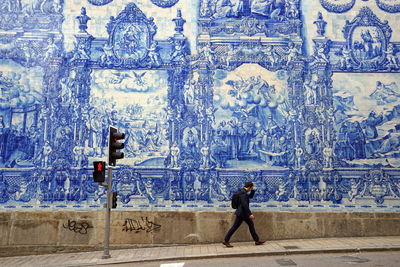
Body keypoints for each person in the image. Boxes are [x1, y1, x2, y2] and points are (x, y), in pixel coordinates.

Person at [222, 181, 265, 247]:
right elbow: (244, 205)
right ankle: (226, 240)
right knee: (235, 227)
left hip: (243, 213)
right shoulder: (243, 194)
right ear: (250, 187)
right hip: (242, 214)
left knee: (251, 225)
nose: (252, 188)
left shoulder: (243, 192)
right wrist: (250, 214)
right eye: (252, 187)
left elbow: (250, 197)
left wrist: (253, 191)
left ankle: (257, 240)